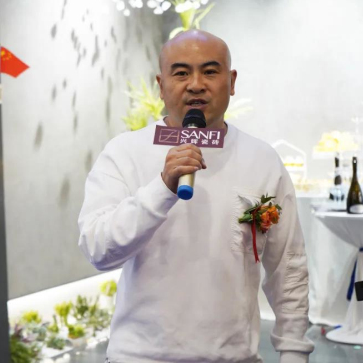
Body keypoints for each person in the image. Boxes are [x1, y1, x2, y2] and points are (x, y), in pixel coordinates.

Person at [78, 30, 314, 363]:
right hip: (140, 356)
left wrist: (294, 351)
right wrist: (162, 188)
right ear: (161, 86)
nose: (195, 84)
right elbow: (98, 250)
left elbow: (288, 265)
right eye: (181, 73)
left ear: (231, 82)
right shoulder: (123, 153)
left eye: (210, 71)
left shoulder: (262, 160)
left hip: (234, 357)